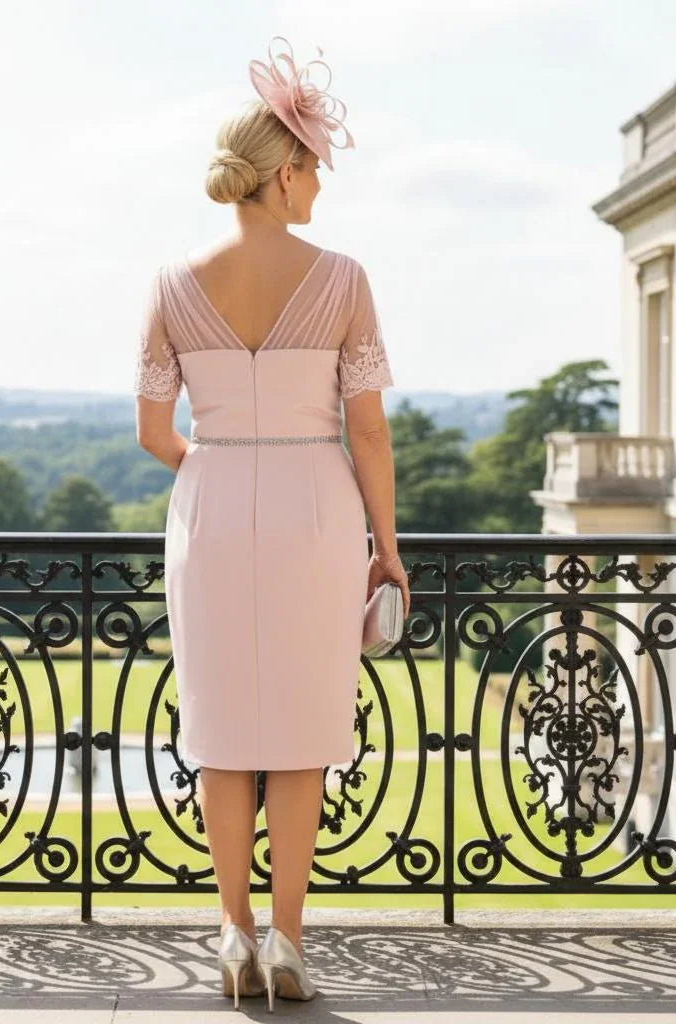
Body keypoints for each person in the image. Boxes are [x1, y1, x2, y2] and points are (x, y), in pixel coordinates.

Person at [134, 35, 410, 1012]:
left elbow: (151, 429)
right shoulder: (343, 277)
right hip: (315, 510)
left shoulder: (171, 282)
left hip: (208, 514)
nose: (320, 190)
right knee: (300, 733)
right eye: (317, 172)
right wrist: (384, 544)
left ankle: (232, 931)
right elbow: (368, 432)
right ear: (286, 170)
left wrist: (213, 470)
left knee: (221, 731)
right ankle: (288, 940)